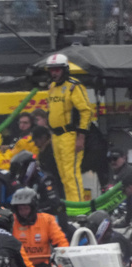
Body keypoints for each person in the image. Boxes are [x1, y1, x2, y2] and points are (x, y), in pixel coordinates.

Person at [44, 53, 94, 201]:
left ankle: (78, 209)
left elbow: (86, 111)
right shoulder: (52, 87)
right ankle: (71, 207)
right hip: (55, 136)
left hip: (69, 135)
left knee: (71, 173)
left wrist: (81, 137)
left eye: (57, 70)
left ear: (65, 70)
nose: (54, 73)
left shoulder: (74, 86)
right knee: (63, 175)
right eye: (52, 70)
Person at [9, 187, 68, 267]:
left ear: (33, 208)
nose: (23, 212)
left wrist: (61, 263)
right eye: (20, 209)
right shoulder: (10, 221)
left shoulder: (47, 220)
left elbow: (61, 242)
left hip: (42, 266)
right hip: (19, 266)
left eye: (26, 208)